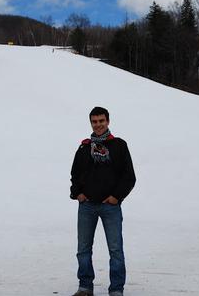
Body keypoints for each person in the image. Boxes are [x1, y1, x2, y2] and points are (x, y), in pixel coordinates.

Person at [70, 107, 136, 296]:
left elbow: (129, 176)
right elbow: (74, 174)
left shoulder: (119, 145)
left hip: (110, 207)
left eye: (101, 121)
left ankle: (116, 290)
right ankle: (85, 287)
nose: (98, 124)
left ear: (108, 121)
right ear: (90, 123)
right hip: (87, 206)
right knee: (83, 249)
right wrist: (78, 194)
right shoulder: (84, 147)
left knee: (115, 250)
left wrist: (116, 197)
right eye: (94, 121)